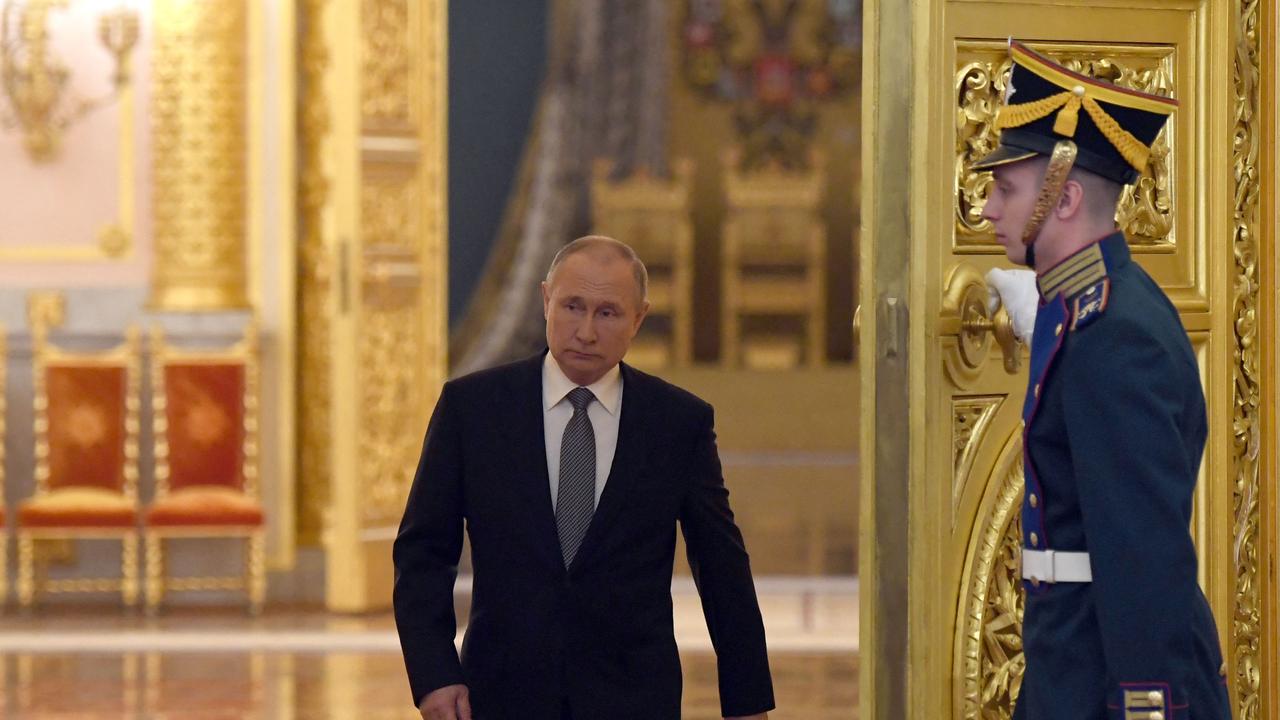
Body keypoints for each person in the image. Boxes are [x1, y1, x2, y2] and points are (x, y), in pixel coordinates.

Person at [393, 235, 774, 720]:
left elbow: (721, 565)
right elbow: (423, 552)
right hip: (501, 692)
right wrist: (434, 675)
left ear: (638, 318)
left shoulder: (678, 423)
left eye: (608, 313)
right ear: (546, 300)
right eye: (573, 306)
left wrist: (747, 700)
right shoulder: (474, 409)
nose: (586, 331)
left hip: (634, 696)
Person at [979, 41, 1231, 719]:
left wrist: (1147, 705)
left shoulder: (1115, 339)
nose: (987, 208)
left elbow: (1143, 560)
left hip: (1110, 683)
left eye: (1006, 189)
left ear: (1064, 199)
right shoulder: (1088, 313)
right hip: (1071, 662)